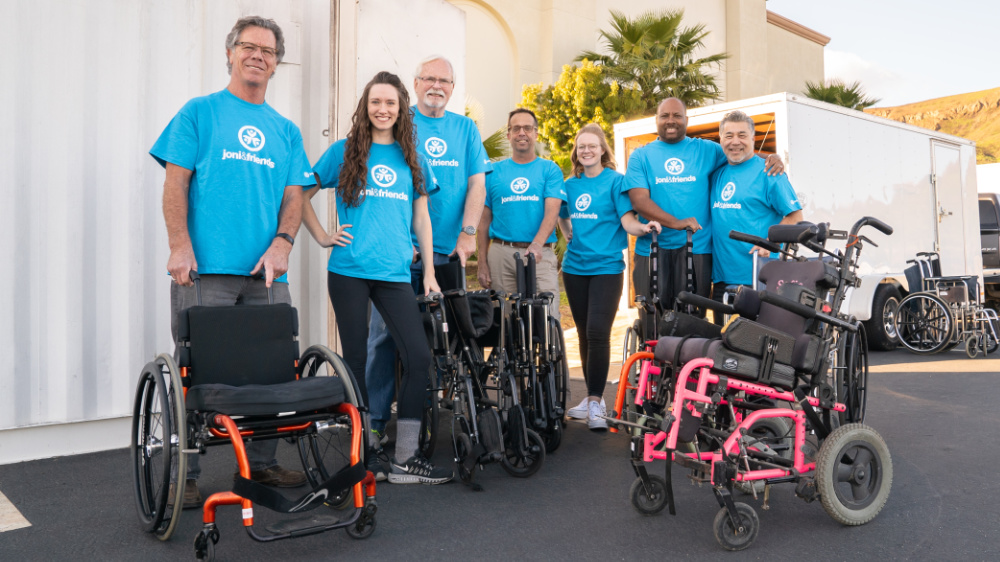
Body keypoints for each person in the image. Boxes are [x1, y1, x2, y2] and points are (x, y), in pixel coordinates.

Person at [150, 16, 313, 509]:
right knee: (198, 371)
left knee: (272, 370)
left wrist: (284, 242)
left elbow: (294, 196)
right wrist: (179, 245)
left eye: (268, 51)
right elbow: (174, 184)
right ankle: (189, 472)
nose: (258, 56)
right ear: (230, 53)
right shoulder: (199, 113)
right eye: (249, 47)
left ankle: (261, 463)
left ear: (277, 63)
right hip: (206, 272)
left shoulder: (285, 131)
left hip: (265, 274)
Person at [303, 71, 453, 485]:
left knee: (419, 357)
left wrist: (430, 275)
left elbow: (421, 217)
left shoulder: (413, 157)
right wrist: (321, 236)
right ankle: (365, 456)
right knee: (355, 364)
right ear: (365, 107)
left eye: (390, 103)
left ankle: (405, 459)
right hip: (348, 271)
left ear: (401, 107)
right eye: (375, 102)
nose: (382, 110)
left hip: (394, 274)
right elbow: (298, 192)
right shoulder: (344, 151)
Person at [363, 56, 492, 451]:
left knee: (441, 339)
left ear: (453, 88)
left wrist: (468, 235)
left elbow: (477, 186)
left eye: (444, 80)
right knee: (383, 340)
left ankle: (424, 419)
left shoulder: (465, 128)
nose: (436, 86)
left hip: (448, 255)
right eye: (429, 79)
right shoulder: (401, 123)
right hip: (399, 256)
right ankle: (375, 421)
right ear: (415, 84)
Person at [625, 97, 783, 326]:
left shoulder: (705, 149)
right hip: (652, 250)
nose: (671, 121)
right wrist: (676, 222)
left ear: (686, 120)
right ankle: (654, 363)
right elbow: (639, 201)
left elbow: (738, 153)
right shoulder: (641, 156)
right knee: (652, 321)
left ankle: (689, 363)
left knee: (692, 323)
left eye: (677, 116)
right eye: (665, 116)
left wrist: (770, 158)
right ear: (656, 120)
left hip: (696, 250)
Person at [557, 124, 661, 430]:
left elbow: (627, 219)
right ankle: (591, 401)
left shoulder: (616, 182)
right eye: (581, 146)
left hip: (607, 268)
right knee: (583, 333)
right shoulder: (569, 184)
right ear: (576, 151)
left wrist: (643, 228)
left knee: (599, 331)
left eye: (592, 145)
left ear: (603, 150)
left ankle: (596, 401)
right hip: (574, 269)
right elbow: (561, 214)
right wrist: (568, 235)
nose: (586, 150)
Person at [477, 108, 566, 320]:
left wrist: (536, 244)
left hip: (540, 254)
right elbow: (483, 220)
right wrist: (482, 262)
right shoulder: (492, 172)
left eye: (527, 128)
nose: (522, 133)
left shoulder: (550, 169)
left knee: (548, 318)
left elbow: (552, 213)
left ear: (536, 133)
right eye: (516, 128)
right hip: (501, 254)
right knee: (506, 322)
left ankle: (549, 353)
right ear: (508, 135)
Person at [709, 110, 803, 305]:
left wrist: (770, 241)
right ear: (721, 139)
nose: (735, 141)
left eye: (742, 135)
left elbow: (795, 217)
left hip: (760, 279)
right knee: (722, 335)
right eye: (729, 135)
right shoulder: (717, 173)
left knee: (754, 336)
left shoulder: (769, 172)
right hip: (722, 281)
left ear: (753, 138)